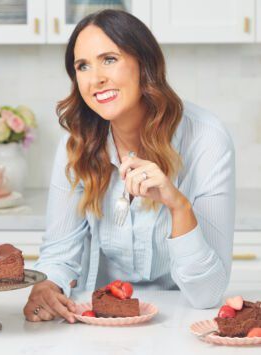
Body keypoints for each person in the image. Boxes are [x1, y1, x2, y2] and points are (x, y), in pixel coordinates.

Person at [23, 9, 235, 323]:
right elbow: (59, 252)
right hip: (100, 319)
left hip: (182, 319)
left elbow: (207, 295)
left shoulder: (206, 139)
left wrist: (177, 206)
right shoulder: (77, 144)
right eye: (83, 66)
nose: (96, 79)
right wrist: (48, 285)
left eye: (109, 59)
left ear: (144, 64)